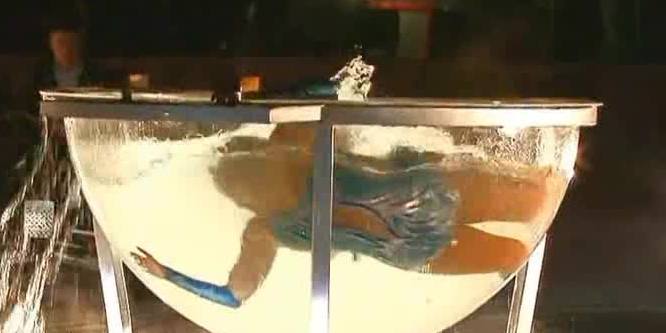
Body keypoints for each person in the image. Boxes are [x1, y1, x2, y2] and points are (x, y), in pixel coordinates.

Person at [131, 123, 554, 309]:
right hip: (420, 198)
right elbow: (327, 92)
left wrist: (168, 275)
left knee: (519, 244)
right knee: (534, 209)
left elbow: (232, 297)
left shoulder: (266, 225)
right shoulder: (291, 149)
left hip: (407, 241)